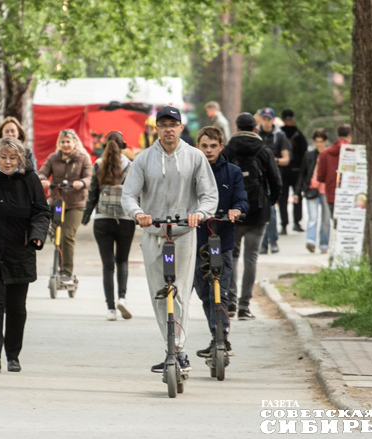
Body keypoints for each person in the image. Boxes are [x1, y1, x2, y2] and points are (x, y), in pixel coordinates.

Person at [121, 106, 218, 373]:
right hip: (154, 233)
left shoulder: (195, 157)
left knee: (180, 292)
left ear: (180, 127)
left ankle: (179, 351)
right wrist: (138, 213)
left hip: (184, 233)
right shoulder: (143, 159)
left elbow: (209, 195)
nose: (168, 129)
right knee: (160, 294)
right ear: (156, 128)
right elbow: (128, 194)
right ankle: (170, 349)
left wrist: (199, 214)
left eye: (172, 124)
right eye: (163, 124)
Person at [0, 137, 50, 374]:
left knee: (16, 307)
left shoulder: (29, 180)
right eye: (3, 157)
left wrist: (37, 235)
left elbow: (42, 212)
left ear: (21, 160)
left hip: (19, 252)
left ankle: (13, 355)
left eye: (13, 158)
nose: (7, 162)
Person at [193, 126, 249, 357]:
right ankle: (215, 334)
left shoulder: (233, 172)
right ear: (198, 146)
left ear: (221, 147)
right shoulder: (192, 171)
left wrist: (236, 209)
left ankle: (222, 338)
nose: (208, 150)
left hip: (222, 240)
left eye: (213, 146)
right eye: (204, 146)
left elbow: (242, 199)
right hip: (196, 241)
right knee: (204, 291)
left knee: (221, 290)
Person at [222, 112, 281, 320]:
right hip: (258, 212)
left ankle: (229, 303)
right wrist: (268, 202)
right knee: (251, 258)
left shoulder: (228, 150)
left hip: (234, 212)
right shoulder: (263, 151)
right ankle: (244, 307)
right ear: (254, 128)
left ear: (237, 128)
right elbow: (277, 182)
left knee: (231, 256)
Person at [82, 131, 136, 321]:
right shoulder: (131, 165)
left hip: (103, 220)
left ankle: (111, 310)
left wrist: (86, 216)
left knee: (107, 265)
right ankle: (122, 297)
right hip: (125, 220)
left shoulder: (98, 164)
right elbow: (136, 194)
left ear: (105, 145)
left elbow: (93, 194)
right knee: (122, 261)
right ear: (124, 145)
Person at [38, 129, 93, 284]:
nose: (66, 145)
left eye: (69, 141)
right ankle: (58, 267)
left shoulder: (83, 158)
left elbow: (89, 177)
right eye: (63, 142)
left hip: (76, 204)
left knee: (67, 235)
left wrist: (81, 183)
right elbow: (42, 173)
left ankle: (67, 272)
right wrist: (44, 180)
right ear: (59, 144)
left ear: (75, 142)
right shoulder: (53, 158)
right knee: (57, 236)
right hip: (58, 202)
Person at [257, 107, 291, 254]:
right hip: (257, 177)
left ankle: (273, 240)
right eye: (263, 119)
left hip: (273, 176)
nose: (266, 122)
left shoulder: (280, 136)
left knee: (270, 210)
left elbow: (286, 159)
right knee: (260, 211)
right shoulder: (255, 134)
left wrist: (273, 161)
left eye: (268, 119)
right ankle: (263, 244)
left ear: (272, 119)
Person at [294, 128, 331, 253]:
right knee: (313, 217)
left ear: (326, 141)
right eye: (316, 141)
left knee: (326, 219)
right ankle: (311, 241)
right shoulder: (309, 155)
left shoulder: (330, 155)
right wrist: (297, 192)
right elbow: (302, 173)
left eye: (321, 141)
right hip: (311, 189)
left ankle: (324, 245)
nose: (318, 144)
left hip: (326, 191)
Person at [280, 109, 308, 234]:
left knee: (283, 198)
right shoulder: (299, 134)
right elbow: (304, 153)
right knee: (297, 197)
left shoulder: (279, 133)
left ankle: (284, 225)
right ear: (293, 118)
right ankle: (297, 222)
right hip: (296, 170)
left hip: (282, 170)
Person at [317, 124, 352, 221]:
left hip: (331, 194)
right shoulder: (355, 151)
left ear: (337, 136)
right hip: (351, 194)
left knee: (337, 224)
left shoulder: (324, 153)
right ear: (350, 136)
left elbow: (320, 177)